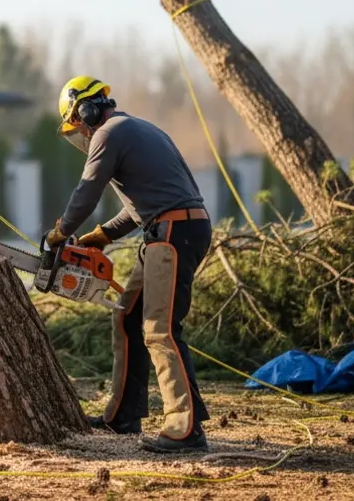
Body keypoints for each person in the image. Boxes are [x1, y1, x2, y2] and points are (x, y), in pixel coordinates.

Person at [45, 75, 212, 453]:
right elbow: (143, 205)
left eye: (78, 123)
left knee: (160, 329)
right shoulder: (140, 128)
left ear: (85, 110)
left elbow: (87, 189)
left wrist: (61, 232)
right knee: (127, 314)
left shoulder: (109, 134)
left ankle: (185, 429)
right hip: (172, 228)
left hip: (173, 232)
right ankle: (123, 415)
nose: (81, 134)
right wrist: (101, 236)